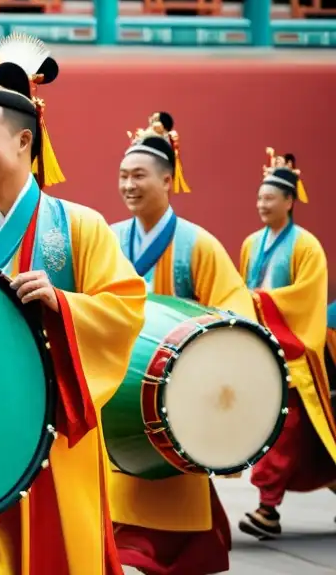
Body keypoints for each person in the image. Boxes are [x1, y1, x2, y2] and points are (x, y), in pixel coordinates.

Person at [0, 32, 145, 574]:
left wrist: (63, 303)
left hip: (54, 435)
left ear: (25, 142)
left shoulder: (78, 227)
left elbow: (124, 307)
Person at [109, 111, 254, 575]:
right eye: (122, 176)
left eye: (139, 176)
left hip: (179, 403)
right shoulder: (109, 240)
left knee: (175, 517)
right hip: (120, 398)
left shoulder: (197, 245)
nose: (128, 185)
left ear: (168, 179)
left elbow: (236, 310)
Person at [237, 149, 336, 540]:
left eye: (270, 198)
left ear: (289, 202)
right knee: (312, 441)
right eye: (259, 198)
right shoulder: (250, 243)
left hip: (293, 353)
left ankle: (267, 508)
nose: (262, 205)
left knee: (288, 430)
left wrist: (258, 303)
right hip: (262, 347)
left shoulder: (307, 247)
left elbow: (307, 297)